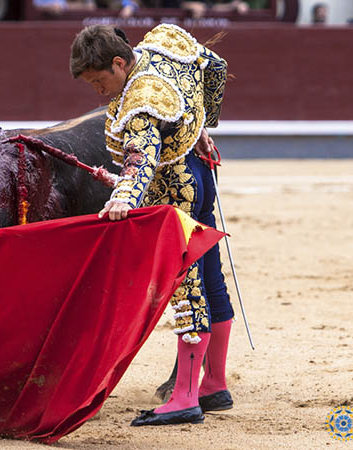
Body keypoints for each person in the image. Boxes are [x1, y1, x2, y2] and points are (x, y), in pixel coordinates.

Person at [70, 24, 235, 425]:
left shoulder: (142, 100)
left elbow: (141, 158)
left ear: (119, 63)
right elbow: (214, 66)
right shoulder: (163, 42)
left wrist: (124, 198)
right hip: (200, 172)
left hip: (175, 189)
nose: (99, 91)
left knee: (188, 289)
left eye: (99, 80)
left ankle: (185, 397)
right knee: (211, 275)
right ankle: (214, 383)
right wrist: (201, 125)